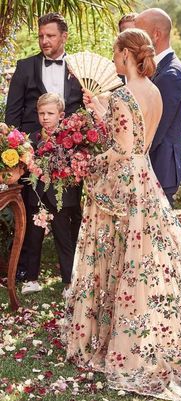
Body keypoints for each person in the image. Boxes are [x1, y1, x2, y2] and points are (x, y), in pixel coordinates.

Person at [62, 28, 181, 401]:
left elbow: (121, 149)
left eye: (115, 51)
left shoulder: (124, 94)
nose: (112, 56)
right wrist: (101, 108)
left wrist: (89, 163)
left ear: (126, 54)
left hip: (124, 182)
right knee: (148, 257)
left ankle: (127, 337)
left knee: (123, 255)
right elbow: (138, 137)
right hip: (146, 179)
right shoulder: (153, 90)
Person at [5, 12, 83, 282]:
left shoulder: (77, 69)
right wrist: (17, 155)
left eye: (50, 35)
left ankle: (71, 273)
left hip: (69, 158)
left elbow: (85, 112)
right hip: (32, 155)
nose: (44, 40)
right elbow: (12, 115)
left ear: (64, 36)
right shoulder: (25, 67)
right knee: (29, 210)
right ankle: (27, 270)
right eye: (40, 36)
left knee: (68, 212)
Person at [21, 93, 82, 294]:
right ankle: (32, 278)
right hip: (38, 194)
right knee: (33, 237)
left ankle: (68, 281)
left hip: (60, 197)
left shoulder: (67, 139)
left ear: (61, 115)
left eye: (50, 113)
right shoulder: (33, 137)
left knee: (63, 238)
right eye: (41, 113)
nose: (45, 117)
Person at [135, 8, 181, 207]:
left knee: (160, 236)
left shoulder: (170, 75)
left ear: (155, 35)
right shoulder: (159, 69)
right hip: (152, 167)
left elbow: (157, 128)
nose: (136, 39)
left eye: (140, 33)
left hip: (160, 168)